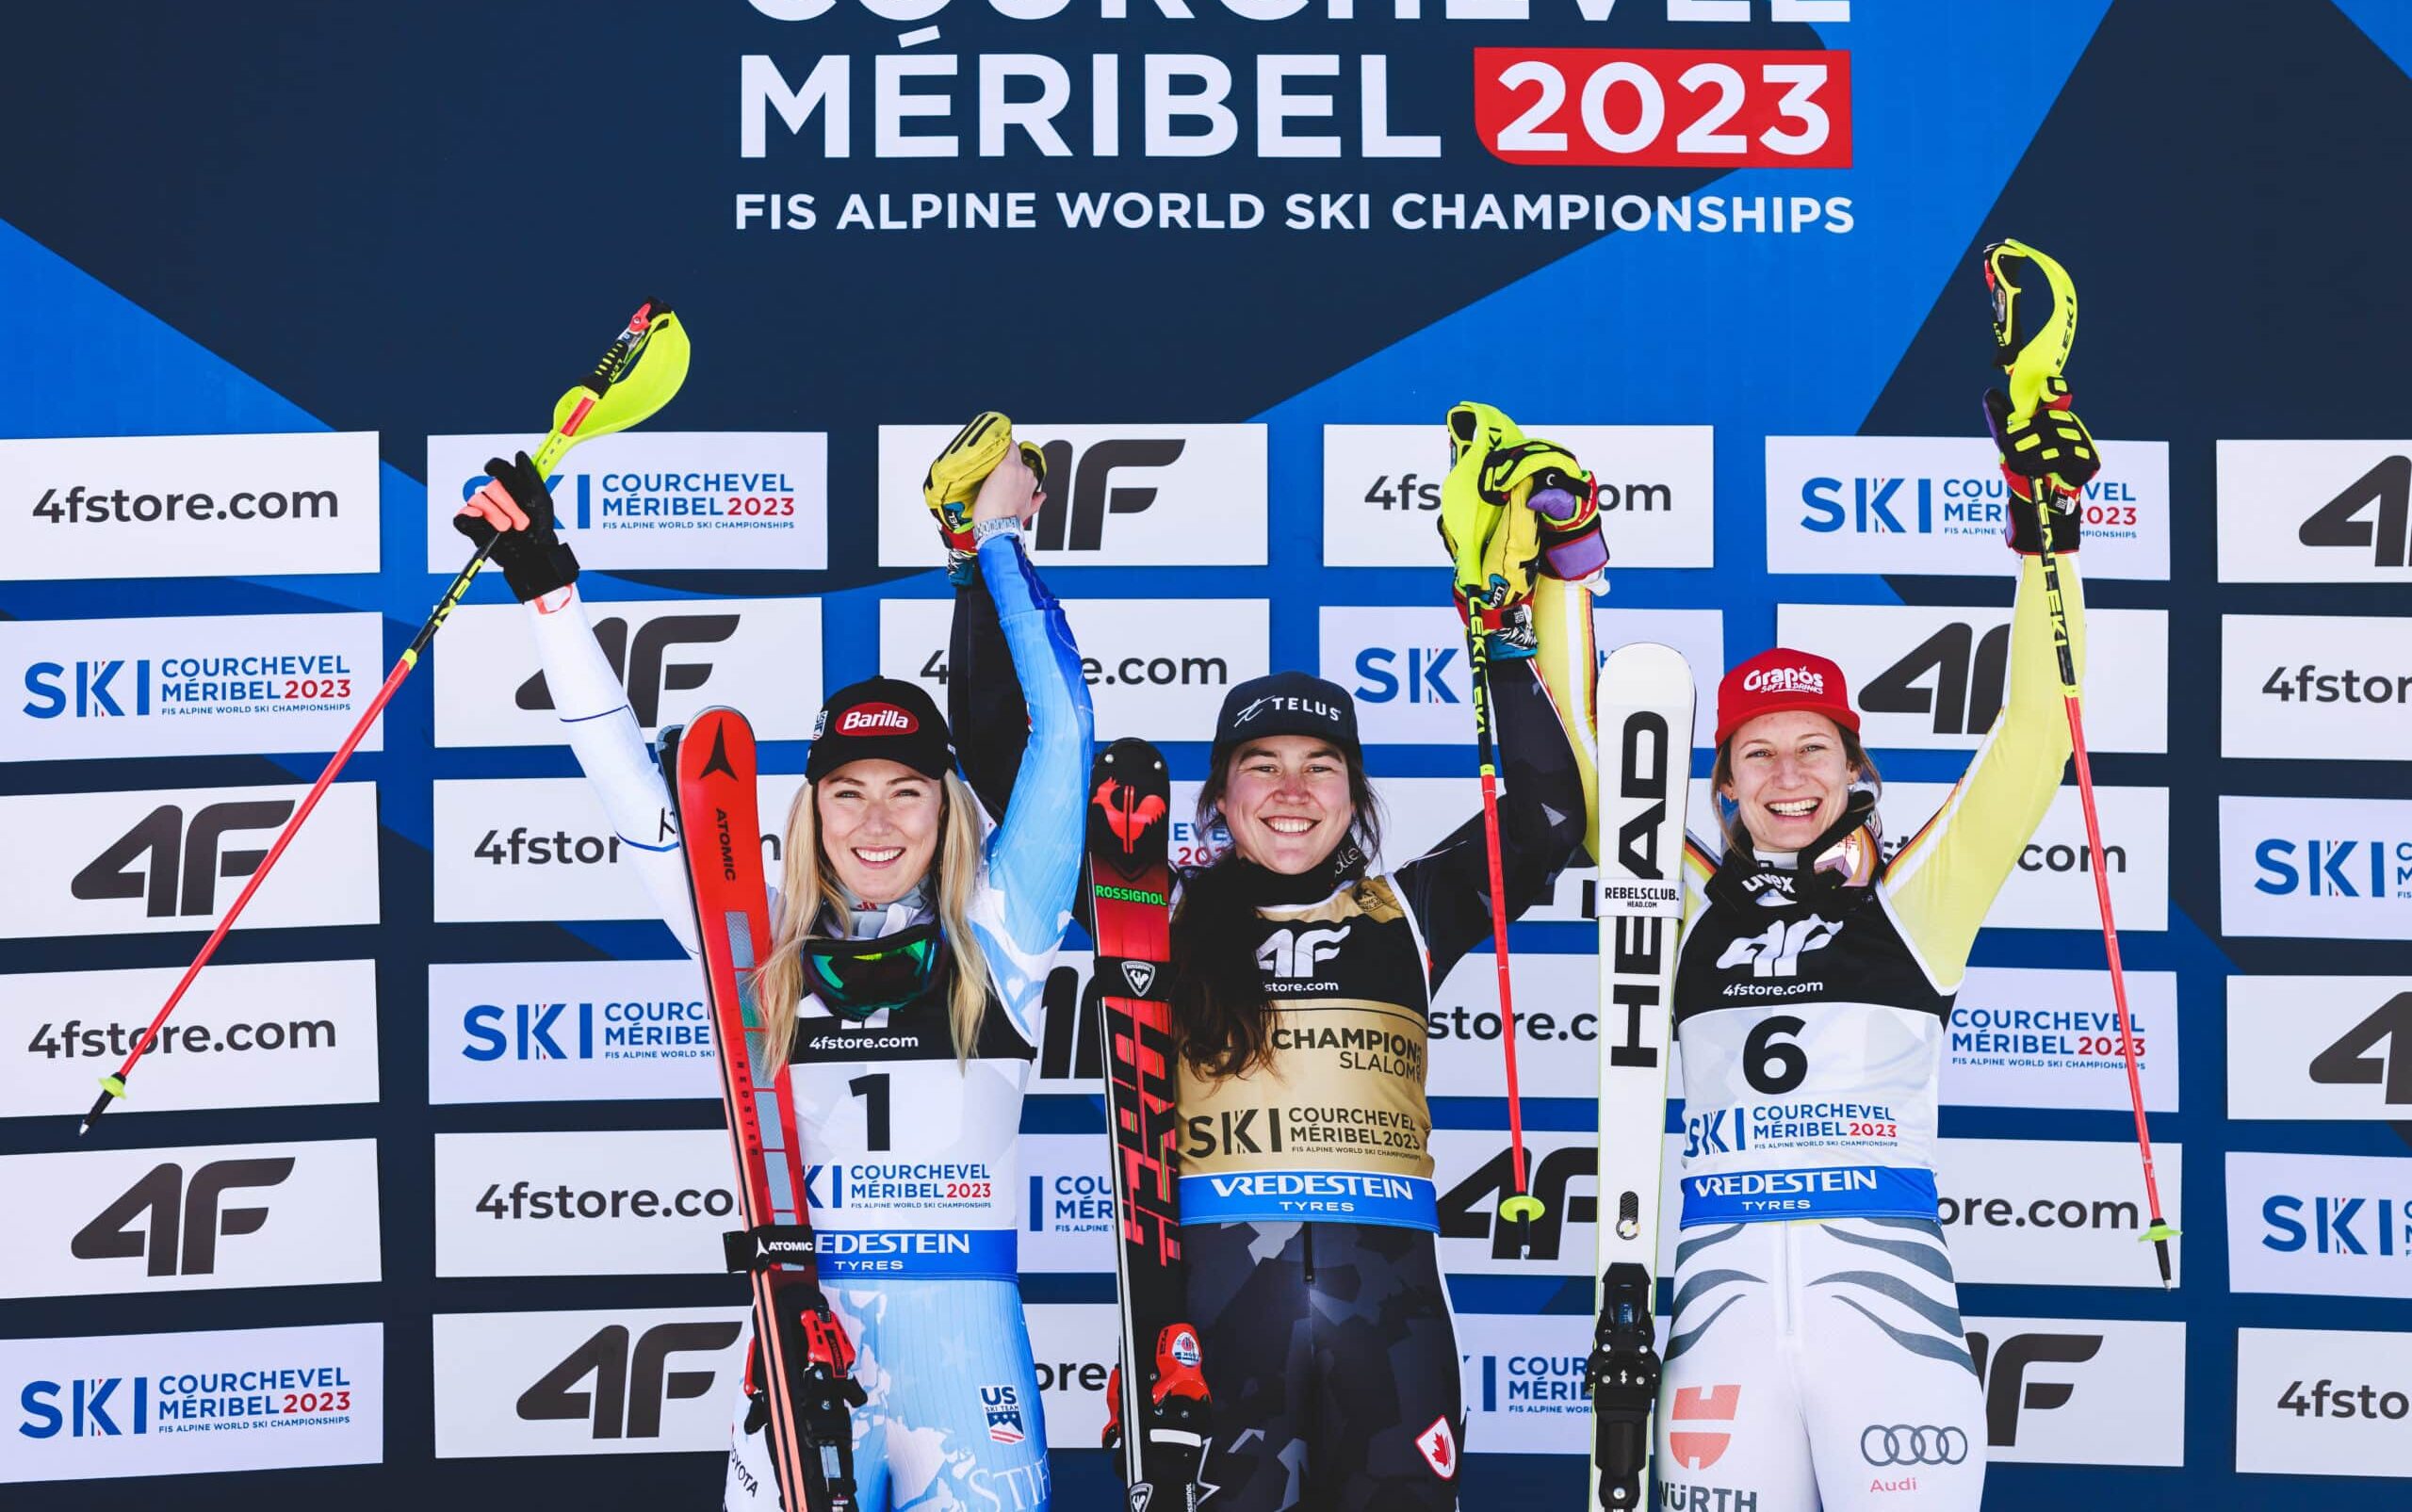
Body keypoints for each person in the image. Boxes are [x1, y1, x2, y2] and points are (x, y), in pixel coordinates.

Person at [451, 413, 1091, 1512]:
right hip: (801, 1354)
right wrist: (550, 598)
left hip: (965, 1365)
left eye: (907, 793)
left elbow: (1065, 734)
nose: (877, 823)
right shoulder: (755, 944)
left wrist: (994, 541)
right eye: (848, 793)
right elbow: (634, 798)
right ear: (811, 811)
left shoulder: (1003, 933)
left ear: (947, 811)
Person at [1653, 309, 2104, 1512]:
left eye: (1814, 748)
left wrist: (2044, 530)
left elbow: (2034, 737)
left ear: (1856, 770)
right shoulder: (1683, 894)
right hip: (1719, 1333)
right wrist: (1546, 573)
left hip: (1887, 1333)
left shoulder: (1915, 897)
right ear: (1722, 784)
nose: (1786, 776)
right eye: (1756, 753)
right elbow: (1593, 779)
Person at [1159, 402, 1604, 1511]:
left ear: (1354, 793)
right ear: (1221, 796)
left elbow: (1551, 815)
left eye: (1320, 765)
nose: (1292, 790)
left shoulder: (1406, 911)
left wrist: (1505, 634)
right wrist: (983, 556)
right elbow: (1007, 757)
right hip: (1217, 1326)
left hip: (1391, 1335)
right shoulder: (1153, 913)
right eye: (1261, 766)